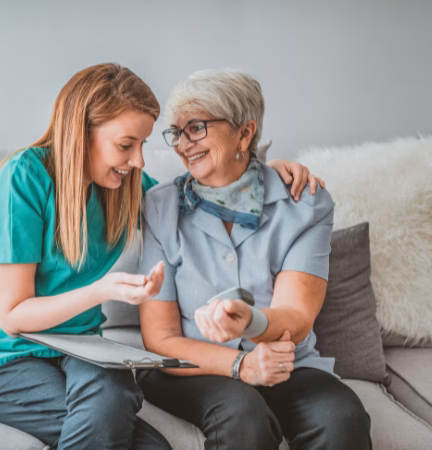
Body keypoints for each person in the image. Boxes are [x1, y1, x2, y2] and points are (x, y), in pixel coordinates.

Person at [0, 63, 322, 450]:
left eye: (143, 145)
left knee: (120, 395)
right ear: (82, 133)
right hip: (3, 358)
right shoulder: (21, 180)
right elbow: (13, 316)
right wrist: (102, 290)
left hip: (78, 350)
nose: (139, 161)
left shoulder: (122, 186)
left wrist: (261, 175)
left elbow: (196, 195)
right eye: (126, 144)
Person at [136, 69, 372, 449]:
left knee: (340, 417)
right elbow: (160, 337)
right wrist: (241, 366)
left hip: (285, 362)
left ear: (244, 133)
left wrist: (252, 322)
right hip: (192, 368)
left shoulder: (304, 203)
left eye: (196, 128)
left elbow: (296, 317)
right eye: (176, 132)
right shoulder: (160, 206)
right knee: (242, 415)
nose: (182, 145)